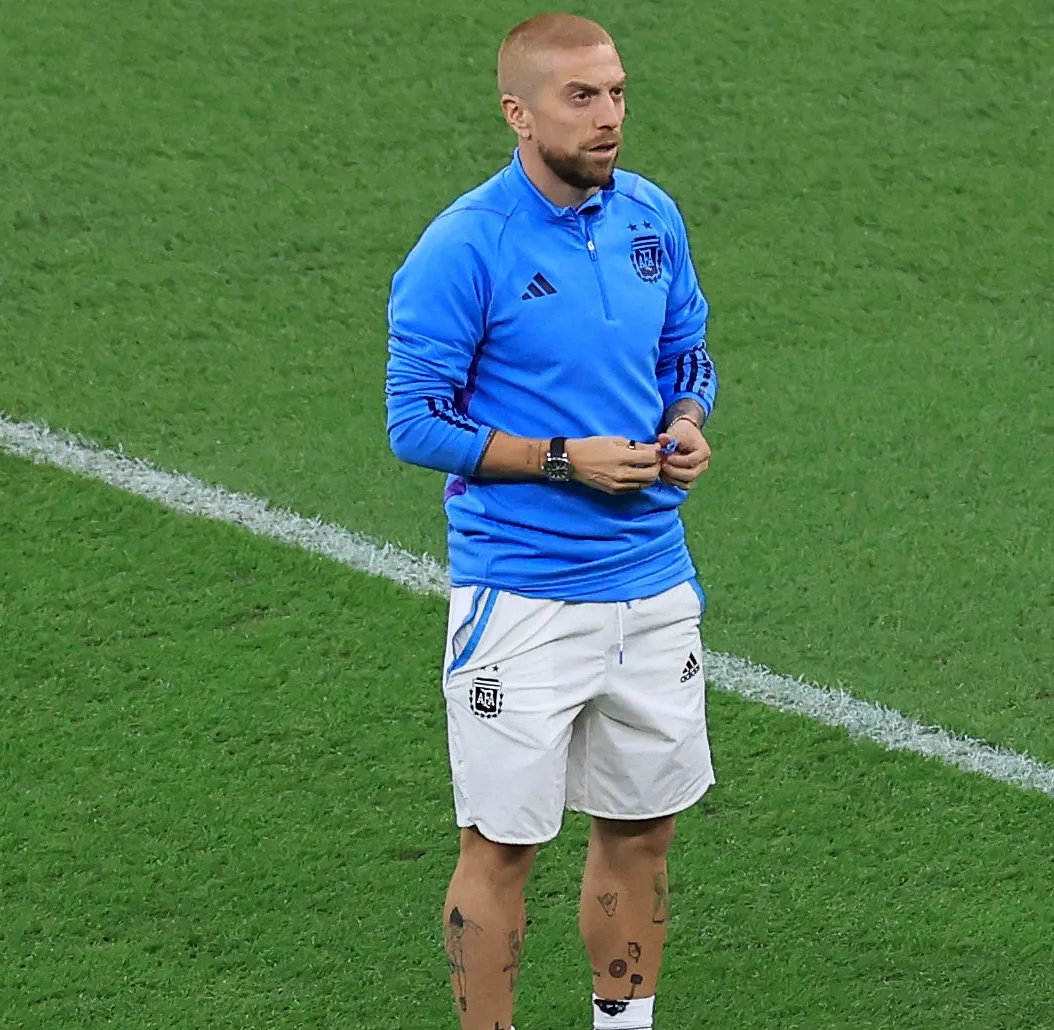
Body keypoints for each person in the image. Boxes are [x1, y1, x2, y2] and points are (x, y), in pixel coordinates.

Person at [384, 13, 717, 1030]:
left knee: (643, 826)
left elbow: (687, 356)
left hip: (653, 581)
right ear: (517, 113)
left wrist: (685, 423)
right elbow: (415, 421)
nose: (609, 116)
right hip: (522, 594)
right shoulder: (463, 245)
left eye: (616, 93)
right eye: (582, 98)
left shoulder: (650, 216)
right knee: (502, 844)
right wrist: (565, 460)